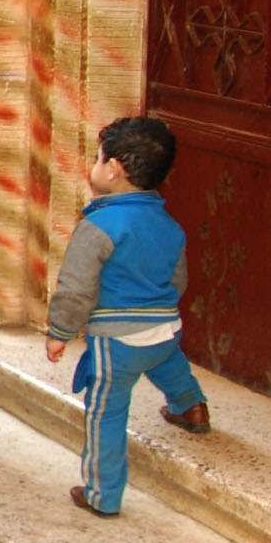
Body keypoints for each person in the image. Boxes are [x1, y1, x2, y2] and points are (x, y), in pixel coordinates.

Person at [45, 117, 206, 517]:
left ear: (113, 169)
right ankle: (191, 408)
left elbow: (76, 288)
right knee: (169, 363)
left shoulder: (98, 226)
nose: (95, 166)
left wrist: (60, 331)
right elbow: (178, 278)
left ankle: (102, 493)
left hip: (117, 343)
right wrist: (157, 310)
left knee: (106, 415)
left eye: (97, 159)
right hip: (165, 328)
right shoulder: (169, 224)